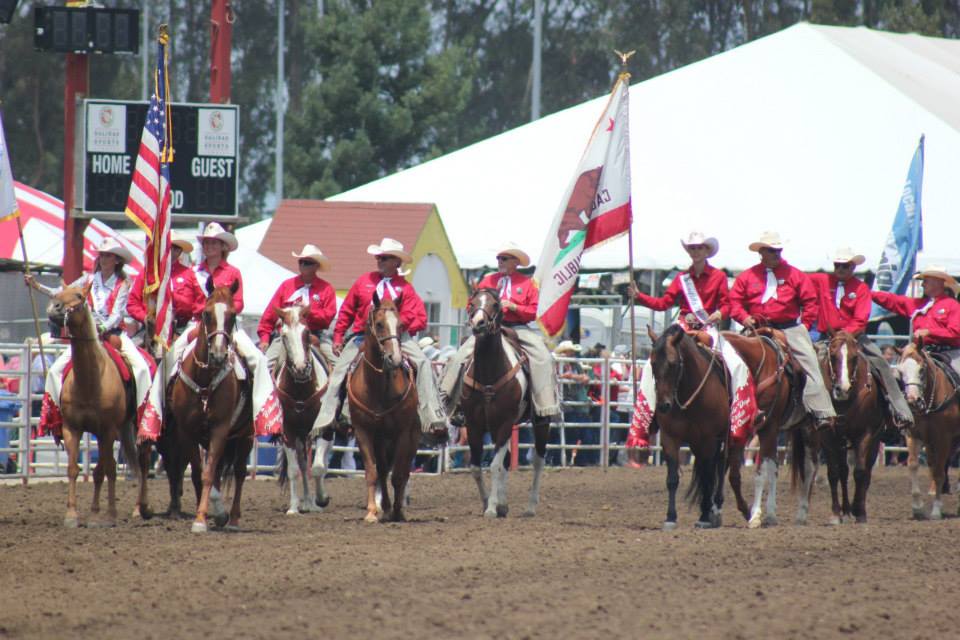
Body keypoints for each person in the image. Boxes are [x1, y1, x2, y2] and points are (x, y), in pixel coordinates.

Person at [137, 222, 282, 440]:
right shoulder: (193, 271)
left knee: (258, 360)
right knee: (168, 360)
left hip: (227, 326)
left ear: (223, 247)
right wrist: (204, 310)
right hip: (198, 325)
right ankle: (156, 416)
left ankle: (264, 416)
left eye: (214, 243)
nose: (209, 246)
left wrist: (223, 311)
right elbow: (189, 303)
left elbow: (239, 302)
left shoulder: (233, 273)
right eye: (206, 242)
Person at [627, 231, 758, 449]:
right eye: (692, 248)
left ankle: (738, 417)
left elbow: (726, 304)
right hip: (682, 329)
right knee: (652, 367)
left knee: (737, 365)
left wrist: (720, 314)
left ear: (707, 251)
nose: (695, 252)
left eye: (699, 248)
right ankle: (646, 421)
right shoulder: (681, 279)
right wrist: (639, 296)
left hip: (707, 328)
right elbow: (664, 303)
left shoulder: (718, 277)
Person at [310, 237, 448, 440]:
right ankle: (329, 418)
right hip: (361, 336)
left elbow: (417, 317)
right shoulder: (363, 282)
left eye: (385, 258)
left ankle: (431, 415)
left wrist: (399, 326)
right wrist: (338, 336)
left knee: (424, 363)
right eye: (379, 257)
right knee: (340, 370)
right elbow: (347, 310)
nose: (380, 261)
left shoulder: (406, 288)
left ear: (397, 263)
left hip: (396, 336)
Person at [25, 238, 154, 434]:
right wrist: (37, 286)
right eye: (101, 255)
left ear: (117, 260)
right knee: (54, 371)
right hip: (86, 336)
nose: (103, 259)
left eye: (108, 255)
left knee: (142, 369)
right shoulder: (87, 279)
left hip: (112, 334)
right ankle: (56, 417)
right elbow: (63, 292)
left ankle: (143, 419)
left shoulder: (123, 283)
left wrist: (100, 329)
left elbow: (117, 314)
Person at [438, 242, 560, 430]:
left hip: (517, 327)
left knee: (543, 357)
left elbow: (533, 311)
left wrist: (514, 307)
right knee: (459, 356)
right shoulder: (487, 281)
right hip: (489, 328)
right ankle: (447, 401)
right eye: (499, 258)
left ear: (515, 262)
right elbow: (472, 304)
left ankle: (544, 406)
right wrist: (477, 315)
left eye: (504, 259)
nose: (500, 262)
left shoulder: (527, 284)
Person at [728, 231, 836, 430]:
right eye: (771, 250)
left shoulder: (795, 275)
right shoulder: (747, 276)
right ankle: (731, 406)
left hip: (789, 329)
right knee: (730, 359)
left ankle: (821, 412)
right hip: (756, 328)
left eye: (778, 250)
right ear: (761, 252)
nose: (776, 254)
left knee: (810, 363)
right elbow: (734, 301)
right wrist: (743, 317)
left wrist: (804, 325)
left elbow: (810, 301)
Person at [808, 247, 913, 427]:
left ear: (853, 267)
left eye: (845, 266)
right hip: (827, 337)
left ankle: (899, 409)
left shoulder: (861, 288)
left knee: (881, 363)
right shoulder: (821, 280)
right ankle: (803, 410)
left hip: (854, 337)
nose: (840, 269)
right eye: (837, 265)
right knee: (805, 364)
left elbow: (861, 318)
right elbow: (795, 278)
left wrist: (845, 335)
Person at [257, 244, 337, 370]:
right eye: (301, 262)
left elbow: (328, 316)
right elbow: (270, 314)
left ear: (316, 266)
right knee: (265, 366)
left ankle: (337, 390)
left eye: (308, 262)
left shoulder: (326, 289)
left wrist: (308, 312)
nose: (303, 265)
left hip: (316, 336)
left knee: (337, 366)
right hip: (286, 335)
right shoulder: (286, 286)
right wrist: (265, 338)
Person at [871, 265, 960, 375]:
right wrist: (869, 294)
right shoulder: (918, 304)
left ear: (937, 282)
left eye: (925, 281)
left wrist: (930, 332)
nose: (922, 284)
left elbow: (956, 332)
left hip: (949, 353)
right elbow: (893, 301)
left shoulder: (952, 305)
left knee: (957, 374)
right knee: (899, 374)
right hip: (921, 352)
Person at [127, 232, 205, 338]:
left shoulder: (189, 274)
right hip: (148, 328)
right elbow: (132, 303)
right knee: (130, 352)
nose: (171, 251)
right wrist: (145, 317)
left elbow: (191, 305)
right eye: (168, 247)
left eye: (176, 248)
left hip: (180, 328)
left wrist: (169, 294)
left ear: (180, 251)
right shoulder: (146, 273)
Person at [554, 340, 591, 466]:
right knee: (569, 434)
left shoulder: (576, 365)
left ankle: (580, 460)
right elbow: (556, 377)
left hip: (576, 404)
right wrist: (570, 377)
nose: (572, 354)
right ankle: (564, 459)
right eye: (570, 351)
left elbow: (586, 378)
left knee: (585, 433)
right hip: (565, 404)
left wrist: (572, 377)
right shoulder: (557, 364)